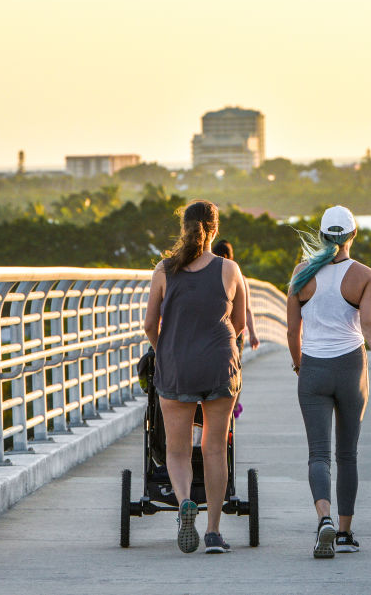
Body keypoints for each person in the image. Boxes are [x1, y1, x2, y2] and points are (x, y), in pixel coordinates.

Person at [286, 205, 371, 559]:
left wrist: (300, 365)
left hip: (314, 369)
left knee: (318, 455)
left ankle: (324, 520)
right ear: (354, 235)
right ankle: (346, 534)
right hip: (351, 368)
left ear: (321, 236)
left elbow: (293, 330)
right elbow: (369, 326)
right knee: (347, 454)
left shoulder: (301, 273)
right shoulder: (365, 276)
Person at [143, 200, 245, 555]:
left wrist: (167, 349)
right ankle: (214, 532)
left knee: (178, 450)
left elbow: (148, 326)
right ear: (214, 230)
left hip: (177, 367)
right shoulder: (229, 269)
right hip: (219, 364)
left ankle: (185, 501)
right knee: (215, 448)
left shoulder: (164, 270)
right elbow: (241, 325)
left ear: (183, 228)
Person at [212, 239, 261, 352]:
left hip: (215, 332)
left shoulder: (209, 277)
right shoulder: (240, 279)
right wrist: (253, 333)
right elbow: (247, 309)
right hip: (235, 332)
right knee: (234, 365)